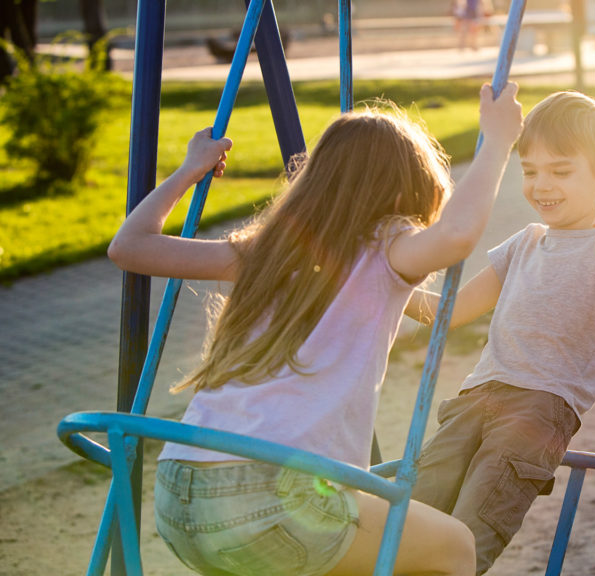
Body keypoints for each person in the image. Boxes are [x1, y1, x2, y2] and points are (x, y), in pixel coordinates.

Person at [106, 83, 524, 576]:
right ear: (403, 192)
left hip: (179, 498)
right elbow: (455, 236)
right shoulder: (387, 246)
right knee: (453, 545)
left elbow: (129, 247)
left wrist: (187, 171)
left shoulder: (267, 251)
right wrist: (498, 142)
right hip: (269, 500)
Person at [404, 90, 595, 575]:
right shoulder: (524, 242)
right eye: (530, 170)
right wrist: (381, 285)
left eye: (561, 171)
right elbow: (449, 313)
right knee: (418, 507)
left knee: (476, 520)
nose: (542, 185)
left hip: (541, 407)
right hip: (477, 395)